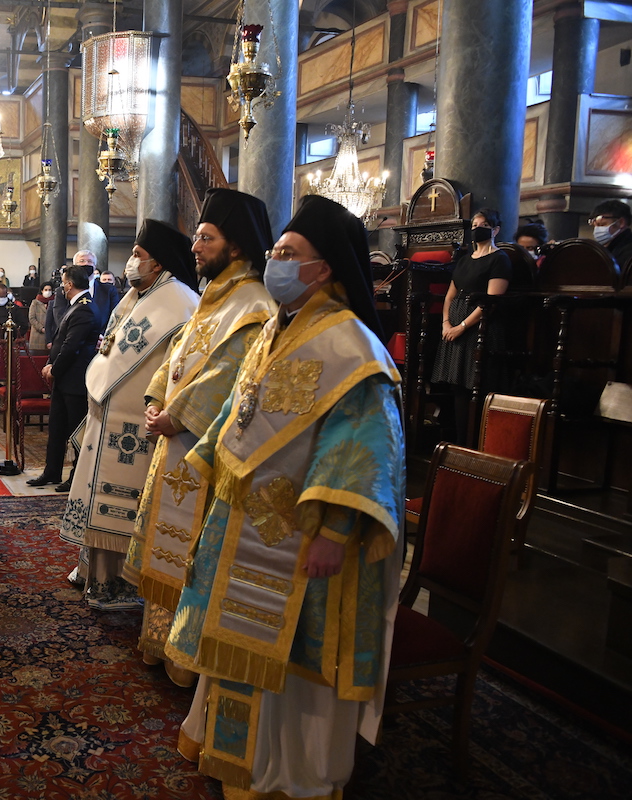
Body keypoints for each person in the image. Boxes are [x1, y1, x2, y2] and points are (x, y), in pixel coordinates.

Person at [165, 195, 405, 799]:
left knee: (292, 653)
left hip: (303, 537)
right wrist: (206, 462)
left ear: (324, 269)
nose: (275, 260)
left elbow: (363, 448)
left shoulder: (353, 350)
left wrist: (334, 533)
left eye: (288, 253)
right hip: (241, 515)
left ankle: (290, 773)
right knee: (235, 632)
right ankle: (232, 749)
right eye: (275, 251)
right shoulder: (281, 325)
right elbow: (239, 410)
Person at [124, 188, 277, 683]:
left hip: (202, 448)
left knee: (189, 550)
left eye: (205, 238)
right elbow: (176, 357)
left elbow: (229, 374)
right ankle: (158, 643)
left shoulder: (253, 304)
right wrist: (153, 399)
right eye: (196, 237)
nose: (194, 246)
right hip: (173, 438)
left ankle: (184, 661)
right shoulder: (214, 298)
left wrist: (176, 415)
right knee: (165, 546)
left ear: (235, 247)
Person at [59, 219, 200, 610]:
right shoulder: (138, 296)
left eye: (138, 255)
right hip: (109, 416)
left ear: (159, 263)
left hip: (138, 426)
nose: (131, 262)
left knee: (124, 507)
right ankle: (94, 572)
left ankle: (120, 583)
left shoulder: (181, 302)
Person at [430, 208, 511, 444]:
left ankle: (475, 444)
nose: (477, 229)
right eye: (474, 225)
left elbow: (491, 301)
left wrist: (462, 326)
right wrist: (446, 323)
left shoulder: (499, 259)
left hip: (479, 329)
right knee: (457, 387)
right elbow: (449, 296)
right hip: (454, 326)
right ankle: (459, 442)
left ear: (495, 229)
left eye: (483, 224)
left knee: (476, 386)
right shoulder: (465, 260)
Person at [27, 265, 99, 490]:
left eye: (62, 282)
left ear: (69, 284)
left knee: (75, 431)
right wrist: (51, 363)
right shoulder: (75, 306)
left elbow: (72, 346)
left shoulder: (84, 308)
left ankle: (76, 476)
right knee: (57, 428)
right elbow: (61, 342)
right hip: (64, 378)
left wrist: (54, 368)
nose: (60, 286)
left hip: (75, 380)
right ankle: (52, 472)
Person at [590, 200, 632, 272]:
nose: (597, 230)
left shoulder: (628, 251)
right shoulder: (604, 249)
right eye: (595, 226)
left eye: (602, 225)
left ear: (621, 222)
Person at [29, 282, 53, 354]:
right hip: (37, 335)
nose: (48, 292)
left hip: (50, 336)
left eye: (50, 290)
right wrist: (41, 328)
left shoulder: (54, 302)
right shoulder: (35, 302)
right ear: (42, 291)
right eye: (46, 290)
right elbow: (32, 318)